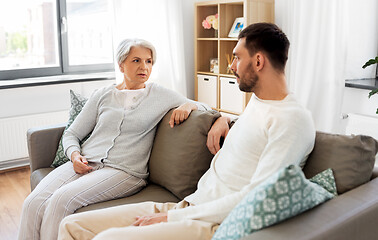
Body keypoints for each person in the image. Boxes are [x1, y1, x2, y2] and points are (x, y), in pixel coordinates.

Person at [58, 23, 316, 240]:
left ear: (258, 61)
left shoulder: (293, 120)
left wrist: (172, 217)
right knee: (71, 226)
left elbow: (257, 198)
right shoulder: (259, 103)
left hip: (210, 223)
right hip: (190, 204)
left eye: (237, 57)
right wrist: (222, 118)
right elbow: (251, 137)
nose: (232, 65)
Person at [18, 38, 209, 240]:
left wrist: (188, 106)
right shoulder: (103, 94)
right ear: (121, 64)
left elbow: (206, 108)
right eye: (136, 60)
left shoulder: (160, 94)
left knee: (60, 200)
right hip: (86, 160)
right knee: (33, 202)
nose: (144, 67)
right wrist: (74, 155)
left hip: (125, 171)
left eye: (149, 61)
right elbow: (72, 133)